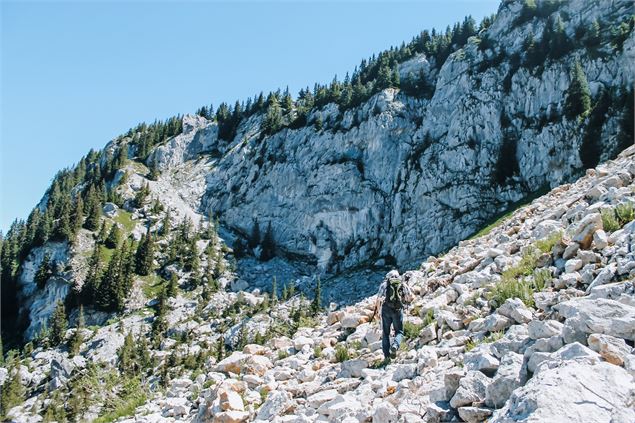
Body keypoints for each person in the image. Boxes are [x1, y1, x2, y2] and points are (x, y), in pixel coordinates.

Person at [372, 270, 414, 363]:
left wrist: (378, 313)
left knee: (386, 333)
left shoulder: (384, 284)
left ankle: (387, 357)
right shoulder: (402, 283)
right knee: (399, 332)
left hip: (386, 310)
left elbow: (378, 299)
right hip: (398, 310)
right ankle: (395, 345)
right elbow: (410, 296)